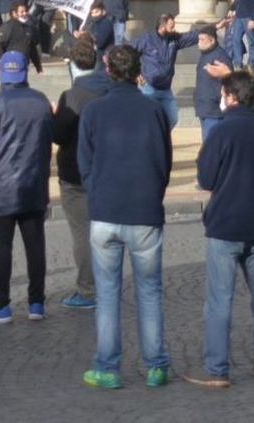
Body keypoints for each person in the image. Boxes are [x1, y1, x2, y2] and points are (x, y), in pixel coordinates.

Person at [78, 44, 174, 389]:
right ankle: (156, 365)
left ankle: (108, 367)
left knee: (107, 294)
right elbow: (164, 162)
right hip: (144, 210)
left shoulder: (94, 111)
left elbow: (84, 163)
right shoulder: (153, 110)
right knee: (149, 292)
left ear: (108, 70)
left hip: (105, 210)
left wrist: (97, 192)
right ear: (138, 72)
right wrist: (152, 193)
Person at [184, 69, 254, 388]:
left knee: (219, 300)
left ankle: (217, 369)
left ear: (232, 96)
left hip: (225, 224)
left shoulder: (221, 132)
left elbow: (207, 179)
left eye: (223, 93)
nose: (221, 99)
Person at [0, 52, 54, 323]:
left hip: (2, 184)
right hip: (34, 182)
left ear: (1, 72)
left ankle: (1, 302)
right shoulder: (41, 102)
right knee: (35, 246)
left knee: (1, 247)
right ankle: (36, 302)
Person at [52, 46, 113, 310]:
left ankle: (88, 289)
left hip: (76, 174)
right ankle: (108, 284)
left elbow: (58, 135)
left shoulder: (73, 95)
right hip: (108, 170)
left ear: (74, 65)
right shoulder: (112, 91)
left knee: (83, 233)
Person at [134, 12, 204, 130]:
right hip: (148, 87)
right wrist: (135, 73)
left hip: (166, 89)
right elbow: (129, 53)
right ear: (162, 26)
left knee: (172, 118)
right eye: (171, 27)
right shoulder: (147, 39)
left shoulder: (174, 40)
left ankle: (159, 138)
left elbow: (192, 36)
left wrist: (215, 27)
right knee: (146, 119)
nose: (174, 29)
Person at [192, 24, 235, 142]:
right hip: (204, 108)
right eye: (198, 40)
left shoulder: (220, 57)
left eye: (202, 40)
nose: (199, 43)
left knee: (212, 145)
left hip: (214, 111)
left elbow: (229, 81)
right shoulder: (205, 55)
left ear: (212, 40)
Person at [0, 3, 44, 76]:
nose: (25, 14)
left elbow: (32, 48)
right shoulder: (8, 27)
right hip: (10, 66)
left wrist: (38, 67)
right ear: (14, 13)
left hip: (24, 65)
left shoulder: (29, 28)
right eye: (22, 12)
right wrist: (1, 62)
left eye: (26, 11)